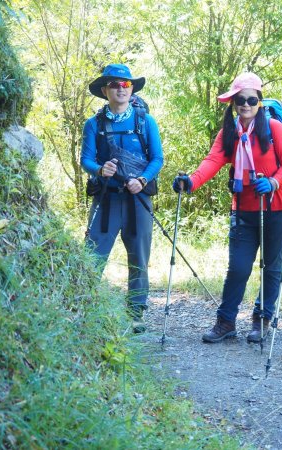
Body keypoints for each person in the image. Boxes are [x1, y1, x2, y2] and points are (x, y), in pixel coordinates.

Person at [172, 72, 282, 344]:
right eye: (240, 99)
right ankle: (226, 321)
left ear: (260, 101)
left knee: (271, 268)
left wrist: (274, 182)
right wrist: (191, 182)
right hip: (243, 209)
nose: (246, 104)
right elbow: (213, 160)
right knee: (238, 268)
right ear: (233, 102)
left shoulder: (274, 128)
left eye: (252, 99)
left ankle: (262, 320)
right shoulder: (228, 132)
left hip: (277, 208)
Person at [81, 64, 164, 333]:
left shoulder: (145, 122)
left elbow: (157, 158)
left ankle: (136, 313)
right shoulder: (93, 124)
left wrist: (142, 180)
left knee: (138, 254)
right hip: (106, 199)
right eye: (115, 85)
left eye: (125, 85)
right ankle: (84, 305)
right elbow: (86, 160)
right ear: (105, 90)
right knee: (94, 253)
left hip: (137, 198)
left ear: (131, 89)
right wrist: (98, 169)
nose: (121, 89)